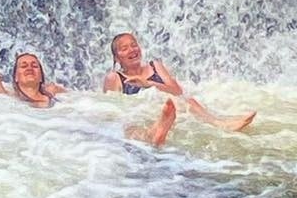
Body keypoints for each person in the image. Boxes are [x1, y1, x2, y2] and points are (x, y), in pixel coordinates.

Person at [0, 8, 176, 146]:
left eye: (34, 65)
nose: (29, 68)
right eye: (23, 66)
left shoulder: (53, 92)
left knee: (115, 123)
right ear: (15, 77)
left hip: (62, 125)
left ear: (41, 76)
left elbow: (91, 101)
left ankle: (151, 135)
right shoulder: (7, 95)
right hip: (32, 135)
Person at [103, 31, 255, 132]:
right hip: (142, 116)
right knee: (131, 123)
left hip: (170, 113)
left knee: (186, 99)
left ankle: (220, 123)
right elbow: (111, 110)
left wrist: (148, 83)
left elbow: (177, 90)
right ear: (117, 58)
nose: (132, 50)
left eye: (134, 45)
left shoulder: (155, 66)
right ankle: (153, 133)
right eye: (124, 48)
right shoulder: (114, 78)